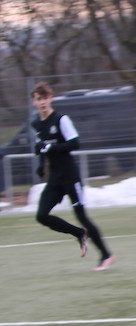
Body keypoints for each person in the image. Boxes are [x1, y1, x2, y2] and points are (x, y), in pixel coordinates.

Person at [29, 81, 114, 270]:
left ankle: (106, 255)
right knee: (41, 215)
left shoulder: (61, 119)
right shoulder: (36, 125)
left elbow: (75, 144)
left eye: (45, 98)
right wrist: (41, 163)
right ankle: (78, 233)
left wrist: (53, 147)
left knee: (82, 216)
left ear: (50, 99)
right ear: (34, 102)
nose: (42, 102)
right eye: (38, 99)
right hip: (55, 179)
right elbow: (41, 147)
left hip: (70, 177)